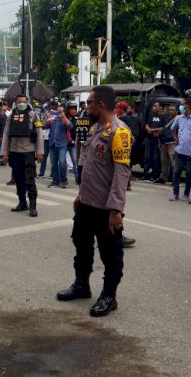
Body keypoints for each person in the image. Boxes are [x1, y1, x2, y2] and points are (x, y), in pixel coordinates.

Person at [56, 86, 131, 317]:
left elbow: (121, 173)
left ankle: (109, 296)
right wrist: (80, 195)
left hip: (106, 208)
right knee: (82, 245)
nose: (85, 107)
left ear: (99, 105)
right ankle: (81, 285)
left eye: (89, 102)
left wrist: (116, 209)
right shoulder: (95, 129)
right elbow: (90, 167)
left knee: (110, 254)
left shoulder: (120, 132)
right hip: (87, 203)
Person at [1, 94, 44, 217]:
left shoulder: (33, 116)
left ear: (27, 102)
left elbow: (39, 134)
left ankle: (33, 206)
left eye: (24, 101)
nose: (22, 103)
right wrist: (4, 153)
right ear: (15, 102)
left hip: (28, 153)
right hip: (14, 153)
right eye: (19, 101)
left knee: (29, 180)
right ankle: (22, 202)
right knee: (18, 180)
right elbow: (6, 135)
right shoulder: (10, 117)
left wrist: (40, 151)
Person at [169, 98, 191, 201]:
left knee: (189, 174)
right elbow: (173, 129)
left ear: (188, 106)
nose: (180, 106)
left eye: (182, 104)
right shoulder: (179, 118)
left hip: (190, 151)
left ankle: (186, 194)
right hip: (179, 150)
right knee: (176, 173)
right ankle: (175, 194)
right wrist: (176, 138)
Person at [47, 103, 71, 188]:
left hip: (62, 145)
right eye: (58, 111)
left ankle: (64, 181)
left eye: (61, 111)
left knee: (62, 162)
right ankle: (55, 181)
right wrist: (46, 116)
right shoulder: (52, 121)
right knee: (53, 163)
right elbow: (42, 125)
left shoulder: (64, 121)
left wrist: (63, 116)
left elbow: (70, 126)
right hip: (52, 144)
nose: (59, 113)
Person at [143, 101, 165, 181]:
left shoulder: (164, 116)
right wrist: (148, 129)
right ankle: (146, 174)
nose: (154, 107)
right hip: (149, 139)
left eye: (156, 106)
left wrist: (152, 130)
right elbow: (146, 125)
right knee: (147, 157)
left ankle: (154, 175)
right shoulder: (151, 115)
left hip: (157, 141)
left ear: (160, 107)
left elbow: (163, 128)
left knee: (155, 158)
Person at [157, 105, 178, 184]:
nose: (170, 112)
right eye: (169, 110)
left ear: (176, 111)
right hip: (164, 143)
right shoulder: (166, 119)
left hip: (172, 143)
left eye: (172, 110)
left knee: (174, 162)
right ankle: (163, 177)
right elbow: (164, 130)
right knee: (164, 161)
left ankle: (175, 179)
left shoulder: (178, 120)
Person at [65, 101, 80, 184]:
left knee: (75, 161)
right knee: (61, 162)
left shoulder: (77, 120)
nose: (73, 110)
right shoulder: (63, 118)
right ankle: (61, 179)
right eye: (71, 108)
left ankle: (77, 178)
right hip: (63, 144)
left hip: (72, 144)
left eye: (74, 108)